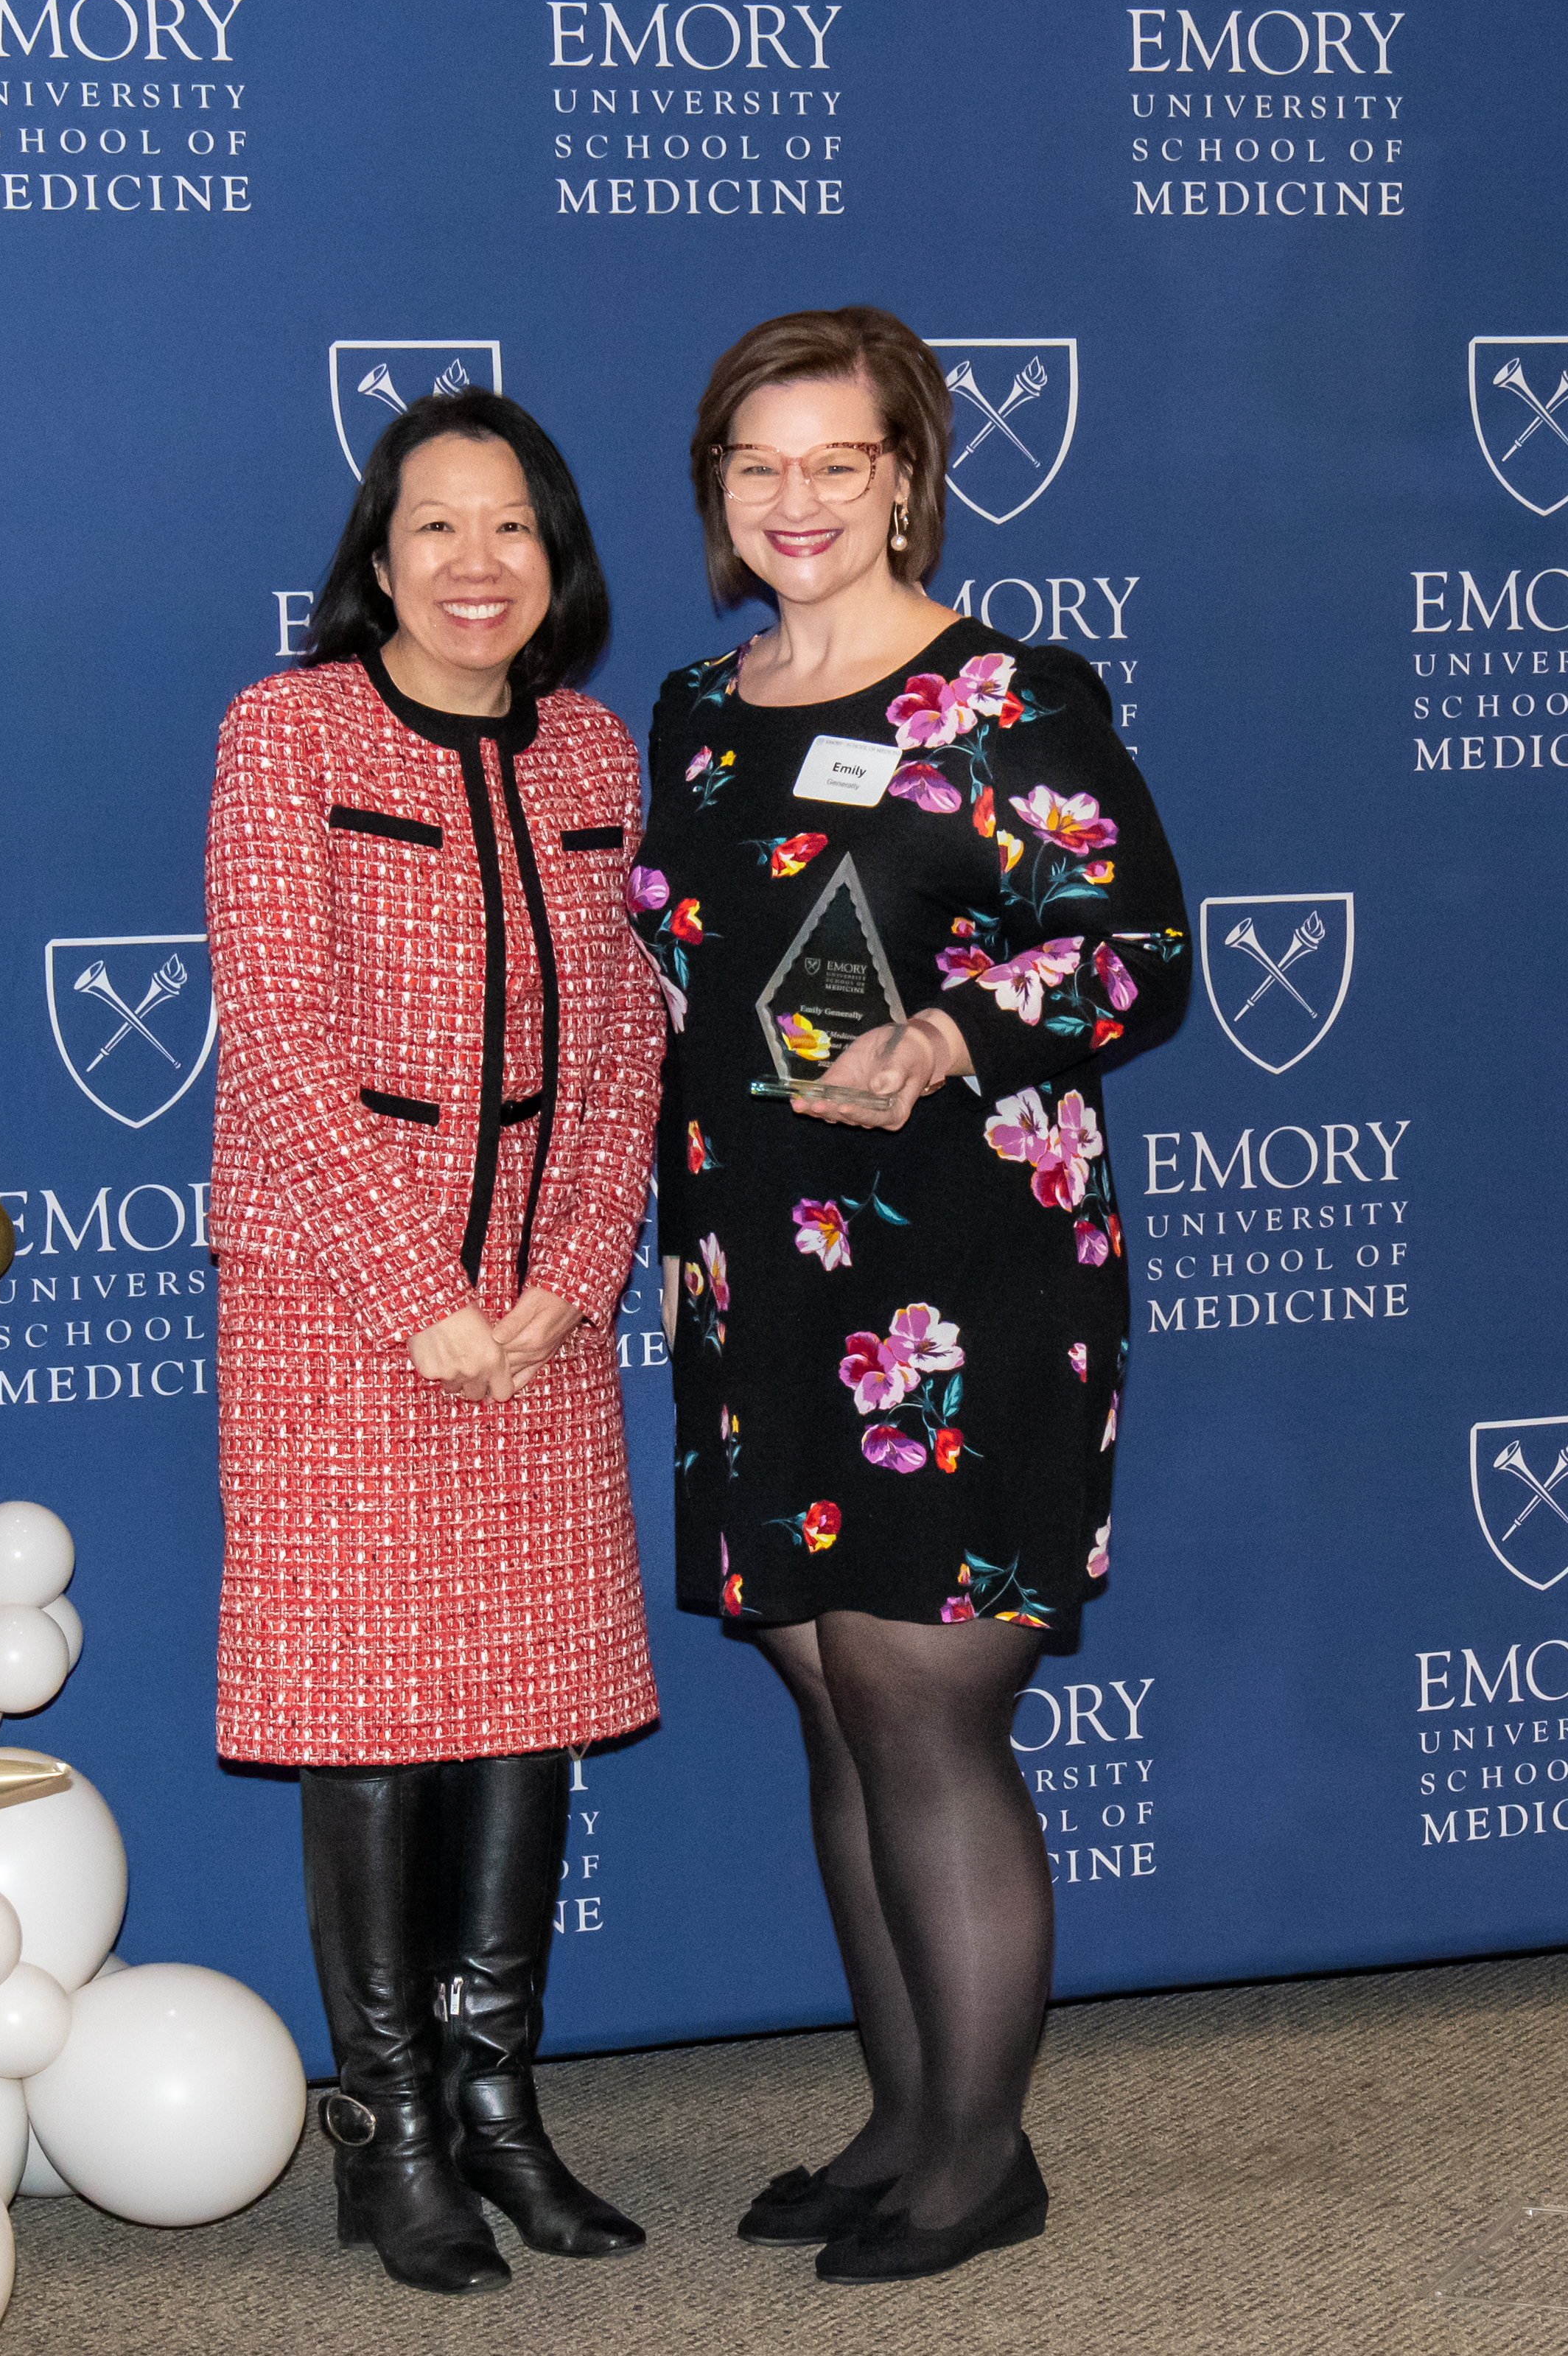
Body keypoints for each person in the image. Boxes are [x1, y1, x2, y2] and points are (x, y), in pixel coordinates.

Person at [637, 307, 1189, 2284]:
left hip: (960, 1268)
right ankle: (899, 2114)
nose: (794, 500)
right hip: (758, 1271)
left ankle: (983, 2159)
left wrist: (954, 1035)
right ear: (719, 490)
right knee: (832, 1706)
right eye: (753, 465)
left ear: (905, 475)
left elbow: (1136, 955)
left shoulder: (1004, 695)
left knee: (924, 1708)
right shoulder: (698, 707)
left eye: (832, 462)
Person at [206, 387, 664, 2294]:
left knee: (528, 1714)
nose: (477, 567)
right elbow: (286, 1044)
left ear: (555, 563)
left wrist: (567, 1276)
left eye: (513, 532)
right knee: (370, 1716)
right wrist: (427, 1303)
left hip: (544, 1315)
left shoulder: (590, 753)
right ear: (374, 558)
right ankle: (390, 2129)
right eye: (435, 530)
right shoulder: (284, 731)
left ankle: (500, 2110)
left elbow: (634, 1038)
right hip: (343, 1309)